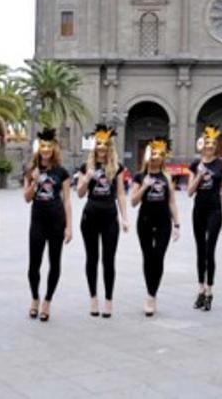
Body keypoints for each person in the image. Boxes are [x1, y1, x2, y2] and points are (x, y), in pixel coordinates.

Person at [76, 124, 129, 318]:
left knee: (109, 260)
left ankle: (108, 300)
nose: (101, 147)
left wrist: (125, 218)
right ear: (94, 146)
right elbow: (80, 194)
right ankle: (93, 299)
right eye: (98, 143)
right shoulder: (86, 167)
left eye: (105, 144)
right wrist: (87, 178)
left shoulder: (116, 168)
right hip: (90, 217)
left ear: (109, 146)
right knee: (92, 258)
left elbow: (121, 195)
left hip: (109, 217)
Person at [24, 127, 72, 322]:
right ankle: (35, 297)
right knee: (34, 264)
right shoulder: (31, 170)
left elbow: (67, 200)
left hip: (56, 222)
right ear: (39, 149)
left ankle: (47, 301)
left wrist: (69, 226)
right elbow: (27, 198)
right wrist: (34, 182)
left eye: (49, 147)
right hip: (38, 221)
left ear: (54, 149)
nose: (46, 151)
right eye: (42, 147)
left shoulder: (61, 172)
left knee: (55, 262)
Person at [131, 137, 181, 317]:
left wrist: (177, 224)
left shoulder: (167, 177)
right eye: (152, 153)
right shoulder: (139, 176)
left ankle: (151, 295)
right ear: (147, 155)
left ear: (163, 157)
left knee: (158, 257)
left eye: (159, 154)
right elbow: (133, 202)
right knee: (148, 257)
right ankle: (150, 294)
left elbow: (172, 202)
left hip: (163, 222)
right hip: (144, 221)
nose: (155, 157)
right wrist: (144, 187)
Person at [186, 125, 222, 311]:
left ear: (216, 146)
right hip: (199, 210)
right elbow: (189, 192)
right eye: (207, 143)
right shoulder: (195, 166)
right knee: (200, 251)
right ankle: (200, 289)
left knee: (210, 250)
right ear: (201, 145)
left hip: (215, 210)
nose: (210, 146)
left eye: (213, 143)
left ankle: (210, 291)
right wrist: (199, 175)